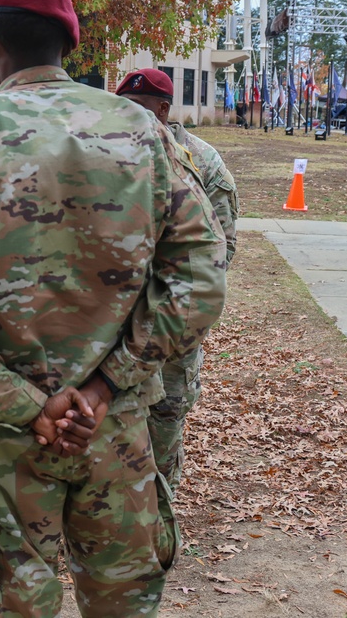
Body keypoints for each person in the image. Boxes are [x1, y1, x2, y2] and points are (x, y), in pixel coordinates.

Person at [0, 0, 227, 617]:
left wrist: (27, 406)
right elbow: (202, 272)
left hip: (0, 443)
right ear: (69, 44)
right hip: (113, 428)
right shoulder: (141, 134)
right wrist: (107, 384)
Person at [116, 67, 239, 489]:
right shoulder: (110, 155)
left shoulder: (203, 164)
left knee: (165, 414)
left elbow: (223, 248)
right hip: (117, 318)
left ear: (163, 110)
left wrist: (177, 302)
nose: (126, 117)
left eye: (137, 109)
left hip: (173, 319)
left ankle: (161, 501)